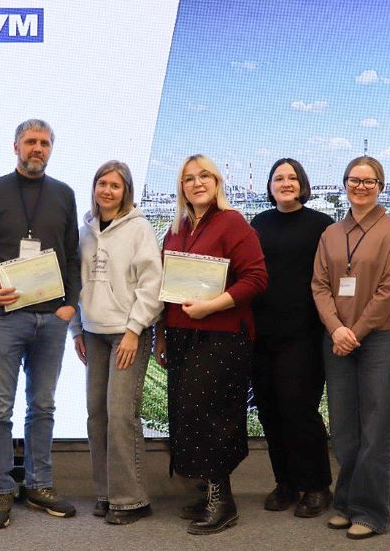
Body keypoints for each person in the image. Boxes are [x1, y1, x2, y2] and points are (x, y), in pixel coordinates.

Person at [0, 119, 81, 529]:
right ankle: (0, 488)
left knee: (43, 405)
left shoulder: (64, 194)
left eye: (44, 143)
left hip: (52, 318)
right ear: (15, 146)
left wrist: (71, 305)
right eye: (30, 141)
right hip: (4, 317)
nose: (38, 148)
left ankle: (39, 485)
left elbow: (72, 256)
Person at [156, 154, 267, 535]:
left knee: (213, 414)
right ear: (182, 188)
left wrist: (212, 306)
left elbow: (256, 278)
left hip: (222, 335)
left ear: (217, 183)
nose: (197, 183)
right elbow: (166, 288)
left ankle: (223, 501)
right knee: (188, 414)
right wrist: (160, 335)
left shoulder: (233, 223)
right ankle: (208, 492)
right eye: (189, 178)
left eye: (205, 176)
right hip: (181, 334)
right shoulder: (176, 230)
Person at [311, 156, 390, 541]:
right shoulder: (331, 234)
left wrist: (356, 331)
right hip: (337, 340)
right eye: (355, 180)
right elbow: (320, 286)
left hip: (380, 338)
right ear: (345, 184)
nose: (361, 187)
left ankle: (371, 512)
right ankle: (347, 502)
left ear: (381, 186)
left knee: (376, 427)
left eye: (370, 181)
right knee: (344, 429)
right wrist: (337, 329)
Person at [71, 161, 163, 525]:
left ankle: (131, 499)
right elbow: (76, 283)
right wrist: (76, 329)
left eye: (115, 185)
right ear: (94, 188)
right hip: (93, 334)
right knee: (97, 415)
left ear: (126, 192)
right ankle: (107, 493)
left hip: (128, 334)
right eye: (102, 184)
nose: (107, 190)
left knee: (122, 415)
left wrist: (134, 330)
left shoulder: (139, 229)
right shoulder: (84, 232)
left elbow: (152, 285)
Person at [250, 158, 334, 518]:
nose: (285, 183)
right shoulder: (259, 223)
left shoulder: (322, 225)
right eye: (278, 178)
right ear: (270, 187)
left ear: (302, 184)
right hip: (262, 334)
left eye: (292, 178)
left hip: (304, 333)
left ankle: (316, 485)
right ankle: (284, 482)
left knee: (299, 409)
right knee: (269, 411)